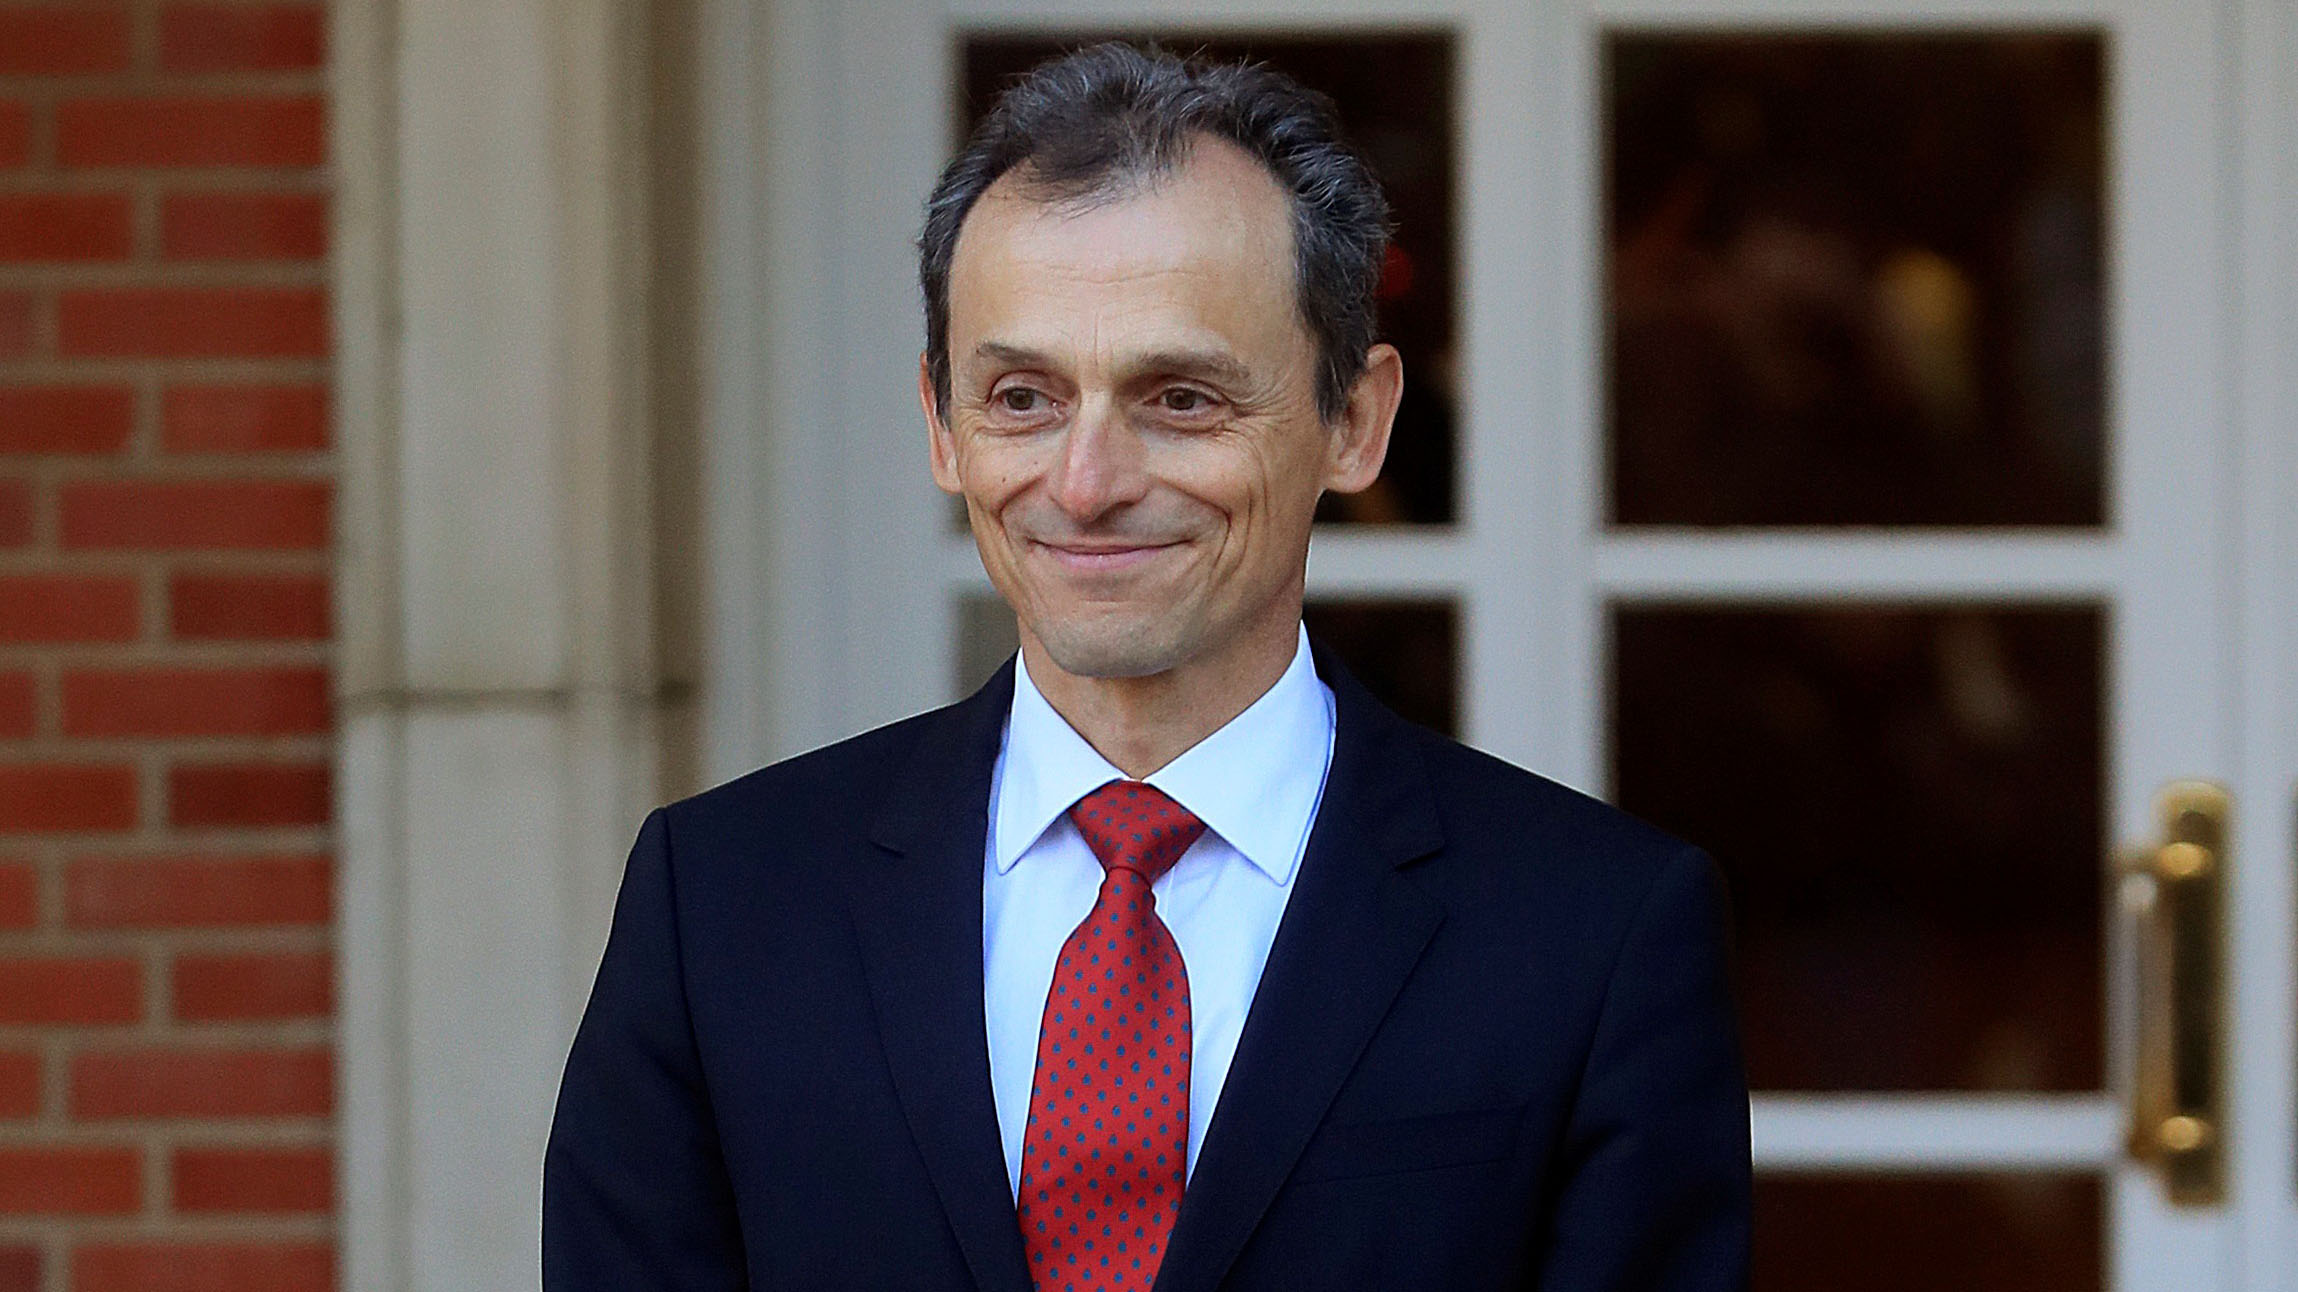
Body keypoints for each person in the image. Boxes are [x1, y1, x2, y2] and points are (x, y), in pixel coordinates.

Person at [543, 42, 1749, 1292]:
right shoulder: (723, 907)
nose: (1085, 481)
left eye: (1179, 397)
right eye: (1021, 396)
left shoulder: (1592, 937)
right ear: (940, 424)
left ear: (1357, 420)